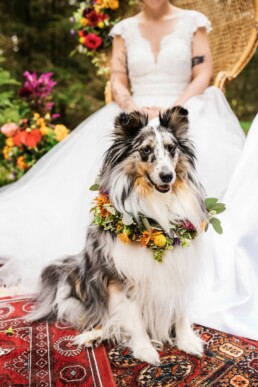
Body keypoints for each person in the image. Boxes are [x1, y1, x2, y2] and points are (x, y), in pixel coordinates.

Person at [0, 0, 256, 339]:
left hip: (182, 106)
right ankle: (115, 271)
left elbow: (203, 74)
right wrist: (131, 105)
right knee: (113, 162)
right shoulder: (123, 30)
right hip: (134, 112)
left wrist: (170, 109)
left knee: (185, 164)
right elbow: (118, 80)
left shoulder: (194, 22)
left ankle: (185, 273)